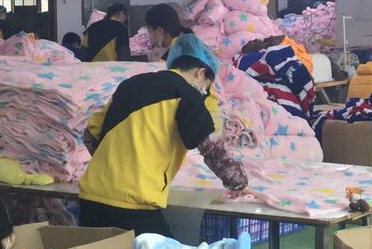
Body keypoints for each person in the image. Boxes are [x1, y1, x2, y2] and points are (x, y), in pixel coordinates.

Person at [79, 33, 247, 236]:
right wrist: (238, 182)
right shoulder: (187, 95)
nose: (204, 92)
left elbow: (91, 134)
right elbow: (212, 149)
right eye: (206, 86)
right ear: (200, 74)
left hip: (91, 198)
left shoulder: (130, 85)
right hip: (133, 204)